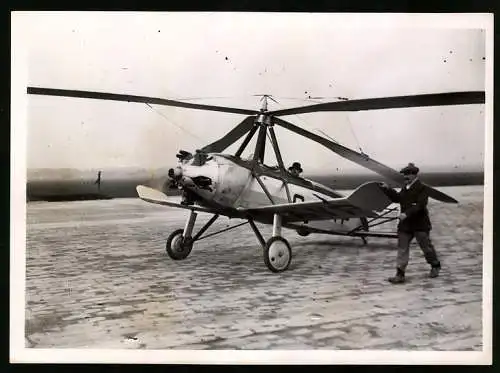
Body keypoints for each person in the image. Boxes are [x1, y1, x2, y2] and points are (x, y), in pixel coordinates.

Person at [380, 163, 441, 284]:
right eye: (404, 175)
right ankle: (400, 274)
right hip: (405, 225)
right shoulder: (405, 188)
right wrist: (387, 189)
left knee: (426, 248)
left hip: (420, 224)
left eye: (407, 175)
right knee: (402, 249)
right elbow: (398, 198)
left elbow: (420, 205)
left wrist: (406, 214)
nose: (405, 177)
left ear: (414, 175)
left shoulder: (423, 188)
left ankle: (435, 265)